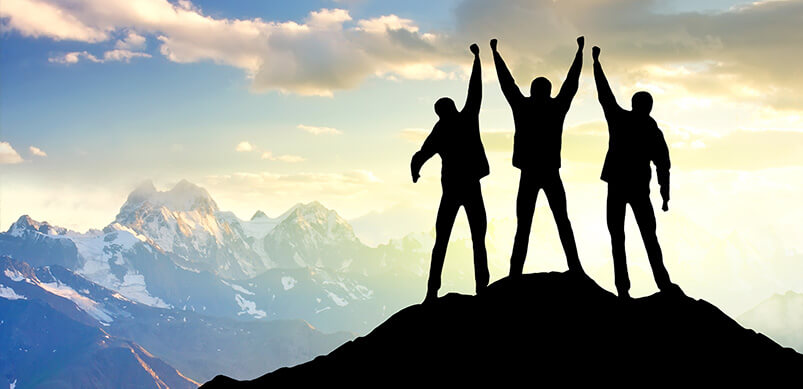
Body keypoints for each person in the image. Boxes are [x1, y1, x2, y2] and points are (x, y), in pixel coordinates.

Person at [491, 37, 586, 278]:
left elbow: (507, 83)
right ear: (548, 91)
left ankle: (515, 274)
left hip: (530, 173)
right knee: (561, 221)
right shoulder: (556, 107)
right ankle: (575, 268)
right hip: (549, 173)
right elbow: (571, 84)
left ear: (533, 91)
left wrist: (495, 53)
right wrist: (579, 52)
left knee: (524, 226)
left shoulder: (522, 107)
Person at [592, 45, 682, 299]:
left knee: (618, 237)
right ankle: (661, 283)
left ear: (634, 105)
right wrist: (665, 195)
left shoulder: (621, 120)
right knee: (647, 236)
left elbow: (604, 95)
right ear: (649, 107)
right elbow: (663, 165)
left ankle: (624, 289)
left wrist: (596, 63)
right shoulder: (652, 130)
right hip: (638, 189)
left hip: (619, 186)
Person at [411, 43, 490, 303]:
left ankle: (431, 292)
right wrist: (477, 59)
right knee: (477, 238)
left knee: (442, 241)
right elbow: (475, 90)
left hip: (452, 191)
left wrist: (416, 171)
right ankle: (482, 289)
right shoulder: (466, 118)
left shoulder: (440, 129)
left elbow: (420, 155)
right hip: (470, 187)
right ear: (452, 107)